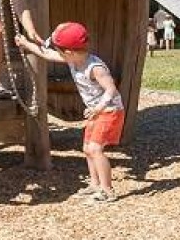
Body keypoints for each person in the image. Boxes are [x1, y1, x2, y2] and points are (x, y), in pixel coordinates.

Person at [16, 22, 124, 204]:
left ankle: (107, 190)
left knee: (95, 149)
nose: (57, 53)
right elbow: (47, 54)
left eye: (59, 50)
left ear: (69, 52)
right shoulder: (73, 59)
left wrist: (98, 108)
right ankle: (95, 185)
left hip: (109, 110)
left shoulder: (95, 67)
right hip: (96, 112)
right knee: (87, 149)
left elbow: (111, 89)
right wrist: (26, 44)